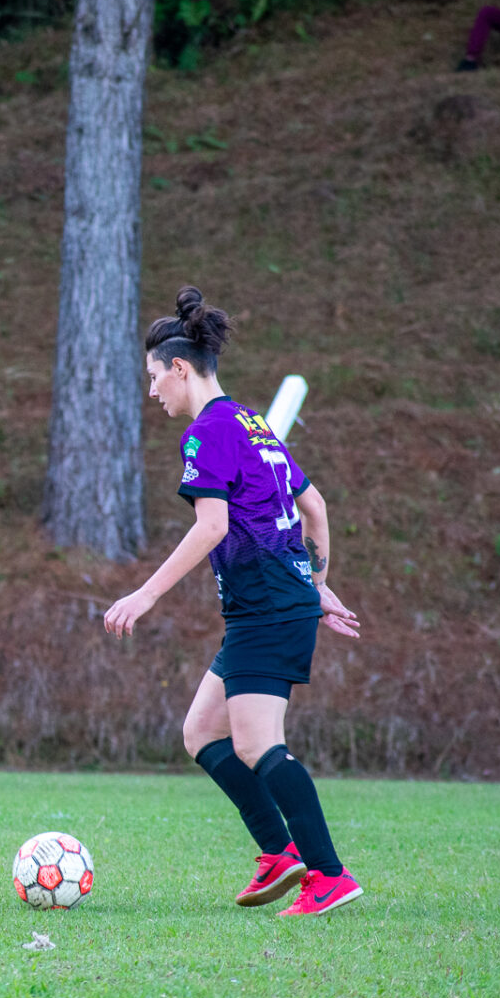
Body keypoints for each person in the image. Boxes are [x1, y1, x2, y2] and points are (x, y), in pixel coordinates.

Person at [104, 288, 364, 916]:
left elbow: (213, 526)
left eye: (153, 377)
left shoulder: (208, 433)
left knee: (256, 745)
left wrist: (145, 593)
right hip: (275, 604)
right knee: (201, 732)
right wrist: (317, 581)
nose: (152, 391)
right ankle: (281, 853)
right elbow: (315, 507)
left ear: (179, 369)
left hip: (268, 610)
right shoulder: (252, 422)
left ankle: (328, 874)